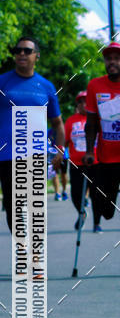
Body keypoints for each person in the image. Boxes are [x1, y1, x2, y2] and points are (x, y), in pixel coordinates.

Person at [0, 36, 64, 232]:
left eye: (27, 51)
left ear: (36, 56)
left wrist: (60, 149)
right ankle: (21, 244)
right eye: (18, 50)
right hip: (8, 155)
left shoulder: (46, 86)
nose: (21, 54)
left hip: (37, 154)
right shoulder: (0, 82)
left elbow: (57, 123)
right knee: (13, 206)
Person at [84, 41, 120, 230]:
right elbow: (91, 124)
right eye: (109, 59)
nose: (112, 62)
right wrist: (90, 150)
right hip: (107, 158)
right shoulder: (95, 85)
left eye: (117, 58)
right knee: (107, 211)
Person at [65, 90, 99, 230]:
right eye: (80, 101)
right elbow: (65, 141)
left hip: (96, 162)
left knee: (96, 194)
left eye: (86, 101)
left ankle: (97, 223)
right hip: (76, 163)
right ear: (77, 105)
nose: (83, 104)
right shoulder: (71, 121)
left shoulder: (98, 119)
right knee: (75, 193)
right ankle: (82, 212)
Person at [49, 127, 69, 200]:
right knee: (55, 174)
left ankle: (64, 190)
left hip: (64, 156)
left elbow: (67, 141)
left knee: (64, 175)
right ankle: (57, 193)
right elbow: (47, 142)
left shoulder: (64, 130)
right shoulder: (49, 131)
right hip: (53, 155)